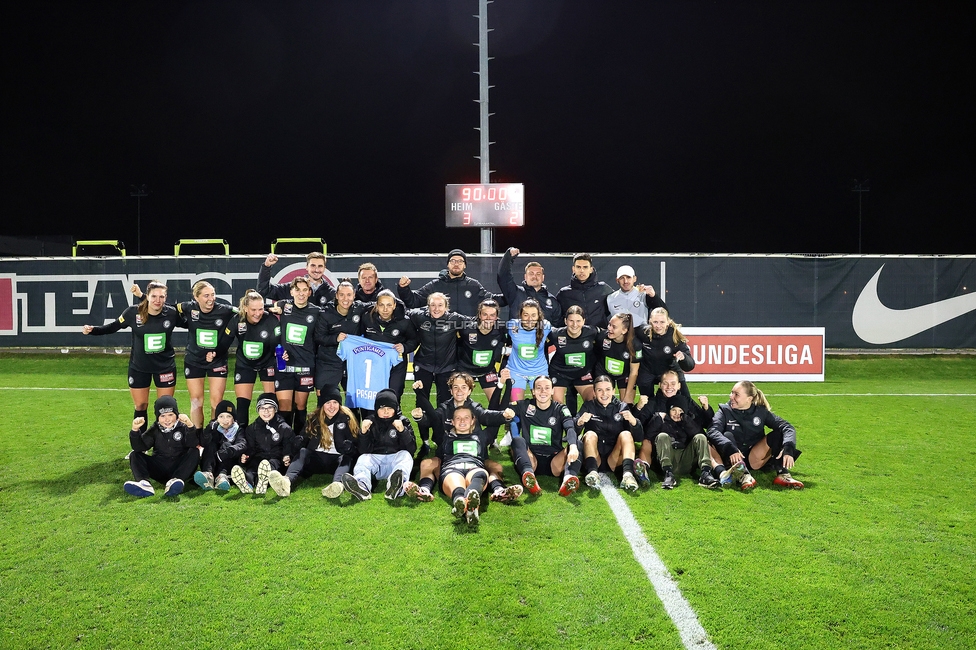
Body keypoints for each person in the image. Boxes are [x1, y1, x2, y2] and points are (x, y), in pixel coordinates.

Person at [83, 281, 179, 433]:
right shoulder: (132, 313)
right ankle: (140, 446)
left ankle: (166, 447)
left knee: (165, 408)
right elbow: (114, 326)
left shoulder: (172, 313)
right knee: (141, 406)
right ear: (147, 296)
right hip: (139, 367)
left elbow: (192, 324)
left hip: (165, 367)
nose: (157, 300)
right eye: (154, 296)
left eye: (162, 297)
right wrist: (94, 330)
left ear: (166, 297)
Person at [407, 374, 517, 504]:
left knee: (494, 466)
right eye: (456, 387)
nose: (459, 391)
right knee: (427, 463)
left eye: (464, 387)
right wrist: (420, 416)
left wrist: (504, 415)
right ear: (451, 390)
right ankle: (425, 489)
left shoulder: (476, 409)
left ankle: (498, 490)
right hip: (448, 456)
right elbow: (433, 419)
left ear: (470, 390)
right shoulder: (444, 409)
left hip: (476, 456)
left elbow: (489, 416)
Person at [410, 396, 496, 525]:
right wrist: (420, 394)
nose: (462, 421)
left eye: (466, 417)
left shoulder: (482, 436)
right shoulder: (445, 436)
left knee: (480, 474)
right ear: (453, 422)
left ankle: (468, 502)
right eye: (458, 418)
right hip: (452, 468)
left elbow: (495, 415)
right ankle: (463, 502)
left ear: (473, 420)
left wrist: (502, 386)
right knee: (456, 481)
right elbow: (433, 418)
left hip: (474, 467)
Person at [706, 381, 804, 491]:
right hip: (731, 458)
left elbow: (787, 427)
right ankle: (743, 475)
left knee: (778, 434)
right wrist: (729, 447)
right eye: (731, 393)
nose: (731, 396)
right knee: (727, 435)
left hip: (754, 458)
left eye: (736, 394)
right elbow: (712, 431)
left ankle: (783, 474)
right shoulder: (724, 411)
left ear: (749, 399)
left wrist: (788, 448)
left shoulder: (760, 412)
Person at [170, 281, 237, 429]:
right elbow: (167, 308)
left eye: (213, 294)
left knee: (216, 402)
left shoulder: (225, 310)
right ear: (196, 297)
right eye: (206, 295)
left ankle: (213, 435)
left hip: (218, 361)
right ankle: (196, 435)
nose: (210, 299)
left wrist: (271, 309)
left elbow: (246, 310)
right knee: (196, 401)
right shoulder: (188, 307)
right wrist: (143, 297)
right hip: (194, 361)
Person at [507, 375, 582, 497]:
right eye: (539, 388)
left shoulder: (560, 409)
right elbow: (501, 409)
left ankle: (568, 478)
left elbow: (570, 428)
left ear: (552, 391)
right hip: (531, 459)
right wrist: (507, 412)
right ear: (533, 391)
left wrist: (573, 446)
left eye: (547, 388)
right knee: (517, 440)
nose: (543, 391)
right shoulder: (523, 406)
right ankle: (529, 476)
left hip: (555, 461)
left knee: (577, 443)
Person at [340, 389, 416, 502]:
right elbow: (363, 450)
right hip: (376, 464)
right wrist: (364, 433)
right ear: (376, 408)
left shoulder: (402, 421)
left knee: (405, 456)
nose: (386, 412)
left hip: (395, 463)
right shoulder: (370, 422)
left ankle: (395, 486)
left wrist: (402, 431)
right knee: (363, 458)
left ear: (395, 408)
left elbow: (411, 449)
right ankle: (362, 487)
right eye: (382, 408)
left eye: (390, 408)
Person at [577, 376, 644, 492]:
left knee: (626, 434)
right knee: (590, 434)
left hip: (614, 459)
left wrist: (634, 422)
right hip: (594, 457)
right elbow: (572, 433)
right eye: (599, 390)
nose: (604, 394)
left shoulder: (621, 407)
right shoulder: (588, 406)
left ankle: (628, 475)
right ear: (594, 392)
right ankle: (592, 472)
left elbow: (638, 438)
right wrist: (579, 422)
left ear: (614, 391)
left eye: (608, 389)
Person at [272, 277, 322, 434]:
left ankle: (299, 442)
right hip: (284, 364)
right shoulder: (284, 306)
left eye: (304, 290)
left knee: (301, 406)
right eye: (298, 290)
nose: (301, 293)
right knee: (284, 407)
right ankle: (284, 442)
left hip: (306, 366)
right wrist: (276, 349)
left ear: (309, 292)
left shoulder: (316, 311)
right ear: (291, 291)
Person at [123, 396, 199, 498]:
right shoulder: (155, 429)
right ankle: (144, 484)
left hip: (180, 468)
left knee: (194, 451)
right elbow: (139, 447)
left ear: (177, 415)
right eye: (162, 416)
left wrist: (190, 426)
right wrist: (135, 431)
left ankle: (176, 481)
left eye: (170, 415)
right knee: (134, 454)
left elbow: (192, 443)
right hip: (160, 468)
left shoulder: (183, 426)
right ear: (157, 417)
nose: (167, 419)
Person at [640, 397, 720, 490]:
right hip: (668, 459)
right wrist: (658, 419)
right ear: (668, 410)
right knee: (662, 436)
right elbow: (647, 435)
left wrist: (687, 421)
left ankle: (705, 474)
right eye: (673, 410)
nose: (677, 413)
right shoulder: (661, 419)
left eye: (680, 410)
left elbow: (701, 435)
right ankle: (668, 475)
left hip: (686, 460)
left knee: (701, 437)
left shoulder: (688, 420)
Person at [226, 289, 280, 427]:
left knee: (271, 403)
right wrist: (214, 353)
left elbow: (278, 343)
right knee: (242, 404)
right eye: (253, 309)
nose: (257, 313)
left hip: (267, 363)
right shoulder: (237, 320)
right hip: (245, 365)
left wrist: (279, 352)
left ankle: (273, 436)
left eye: (261, 309)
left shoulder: (271, 320)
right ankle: (242, 440)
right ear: (245, 308)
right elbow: (224, 341)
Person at [397, 248, 504, 316]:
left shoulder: (473, 285)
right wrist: (403, 288)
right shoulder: (435, 285)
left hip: (466, 336)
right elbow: (413, 301)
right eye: (453, 261)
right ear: (448, 264)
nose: (456, 264)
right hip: (443, 336)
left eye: (460, 261)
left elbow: (492, 300)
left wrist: (511, 295)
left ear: (465, 265)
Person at [405, 292, 467, 409]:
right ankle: (423, 427)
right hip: (423, 365)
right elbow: (401, 314)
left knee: (444, 404)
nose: (436, 309)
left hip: (447, 367)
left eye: (440, 305)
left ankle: (442, 427)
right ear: (428, 306)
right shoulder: (419, 316)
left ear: (446, 307)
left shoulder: (455, 319)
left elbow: (475, 323)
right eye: (433, 305)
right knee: (421, 402)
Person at [313, 280, 369, 408]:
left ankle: (353, 428)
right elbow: (318, 337)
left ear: (354, 295)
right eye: (342, 295)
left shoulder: (359, 308)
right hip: (328, 362)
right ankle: (322, 427)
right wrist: (335, 338)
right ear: (336, 296)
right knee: (324, 402)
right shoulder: (326, 313)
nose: (345, 299)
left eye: (349, 295)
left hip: (351, 363)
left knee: (355, 402)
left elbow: (380, 304)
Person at [230, 393, 295, 496]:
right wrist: (245, 457)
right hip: (259, 457)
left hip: (276, 459)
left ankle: (263, 480)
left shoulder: (284, 428)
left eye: (270, 408)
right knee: (253, 468)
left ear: (275, 409)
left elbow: (288, 447)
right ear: (258, 410)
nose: (266, 411)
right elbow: (250, 448)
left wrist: (287, 457)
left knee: (271, 466)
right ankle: (248, 482)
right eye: (262, 408)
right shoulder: (252, 428)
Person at [303, 388, 361, 499]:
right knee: (302, 452)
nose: (331, 406)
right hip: (317, 459)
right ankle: (286, 481)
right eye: (328, 403)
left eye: (335, 402)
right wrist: (298, 442)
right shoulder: (313, 419)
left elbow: (357, 444)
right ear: (322, 405)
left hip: (336, 459)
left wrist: (350, 448)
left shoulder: (348, 419)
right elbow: (303, 438)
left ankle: (336, 485)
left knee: (346, 458)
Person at [360, 289, 417, 400]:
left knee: (394, 397)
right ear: (376, 305)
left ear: (395, 305)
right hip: (373, 366)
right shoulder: (367, 318)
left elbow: (414, 340)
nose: (385, 309)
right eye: (381, 305)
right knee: (372, 398)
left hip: (396, 367)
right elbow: (358, 337)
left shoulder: (404, 321)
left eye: (389, 305)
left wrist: (404, 347)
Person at [547, 305, 599, 414]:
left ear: (584, 321)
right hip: (559, 373)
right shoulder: (555, 334)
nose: (575, 325)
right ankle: (564, 427)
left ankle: (578, 423)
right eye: (571, 321)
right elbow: (538, 340)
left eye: (578, 321)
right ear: (565, 321)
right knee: (557, 406)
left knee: (593, 402)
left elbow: (610, 337)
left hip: (583, 373)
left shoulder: (592, 332)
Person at [634, 307, 695, 400]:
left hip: (670, 371)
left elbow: (690, 366)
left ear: (668, 322)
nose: (658, 326)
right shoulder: (643, 332)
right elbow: (626, 333)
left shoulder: (675, 337)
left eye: (662, 322)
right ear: (650, 321)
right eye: (655, 322)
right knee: (646, 403)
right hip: (647, 371)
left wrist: (684, 358)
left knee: (685, 401)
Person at [456, 299, 506, 404]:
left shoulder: (501, 328)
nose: (488, 318)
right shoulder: (466, 328)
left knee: (496, 404)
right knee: (459, 403)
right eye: (485, 314)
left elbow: (509, 342)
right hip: (465, 370)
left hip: (487, 371)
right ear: (479, 314)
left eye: (492, 315)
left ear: (497, 317)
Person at [496, 247, 562, 324]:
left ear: (543, 277)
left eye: (538, 274)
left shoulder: (553, 301)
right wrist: (509, 257)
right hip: (518, 336)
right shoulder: (515, 293)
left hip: (542, 336)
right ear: (525, 277)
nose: (534, 277)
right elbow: (503, 277)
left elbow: (557, 327)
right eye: (531, 274)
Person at [504, 299, 552, 402]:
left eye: (533, 315)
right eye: (526, 315)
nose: (529, 319)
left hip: (539, 371)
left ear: (538, 315)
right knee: (516, 406)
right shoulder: (513, 326)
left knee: (543, 403)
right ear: (520, 315)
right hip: (516, 371)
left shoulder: (546, 326)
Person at [194, 400, 246, 492]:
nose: (225, 420)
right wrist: (209, 429)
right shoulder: (214, 427)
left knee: (227, 444)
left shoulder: (238, 429)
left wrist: (227, 452)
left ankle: (222, 476)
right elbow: (203, 442)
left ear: (233, 419)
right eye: (221, 416)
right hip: (212, 462)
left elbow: (242, 444)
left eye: (228, 416)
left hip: (228, 462)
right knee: (211, 444)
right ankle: (208, 474)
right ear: (217, 418)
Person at [555, 253, 614, 328]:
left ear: (591, 269)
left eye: (585, 267)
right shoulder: (564, 294)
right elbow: (557, 317)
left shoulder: (603, 289)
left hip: (599, 336)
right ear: (573, 269)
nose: (582, 270)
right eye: (578, 267)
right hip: (574, 338)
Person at [258, 251, 335, 307]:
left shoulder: (332, 293)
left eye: (320, 266)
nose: (316, 270)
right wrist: (266, 266)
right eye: (313, 266)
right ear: (306, 267)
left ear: (325, 268)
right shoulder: (292, 288)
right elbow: (264, 290)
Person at [597, 312, 641, 404]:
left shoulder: (635, 345)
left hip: (624, 375)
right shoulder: (602, 337)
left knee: (627, 404)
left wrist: (627, 394)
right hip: (604, 372)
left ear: (624, 330)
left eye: (614, 327)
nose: (609, 328)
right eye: (609, 324)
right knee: (603, 402)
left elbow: (634, 372)